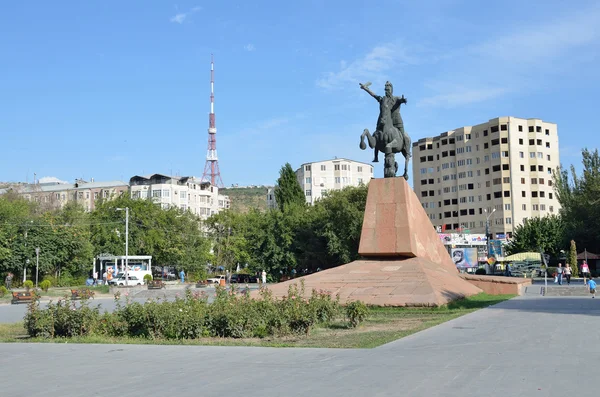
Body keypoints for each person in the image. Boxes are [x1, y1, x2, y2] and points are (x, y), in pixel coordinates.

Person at [360, 81, 410, 163]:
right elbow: (374, 95)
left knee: (403, 135)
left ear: (391, 90)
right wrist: (365, 88)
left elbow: (401, 100)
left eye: (388, 90)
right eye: (386, 90)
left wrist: (403, 100)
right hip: (384, 119)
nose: (387, 91)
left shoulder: (396, 99)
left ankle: (406, 150)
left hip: (396, 121)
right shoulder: (383, 99)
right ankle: (376, 157)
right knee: (377, 134)